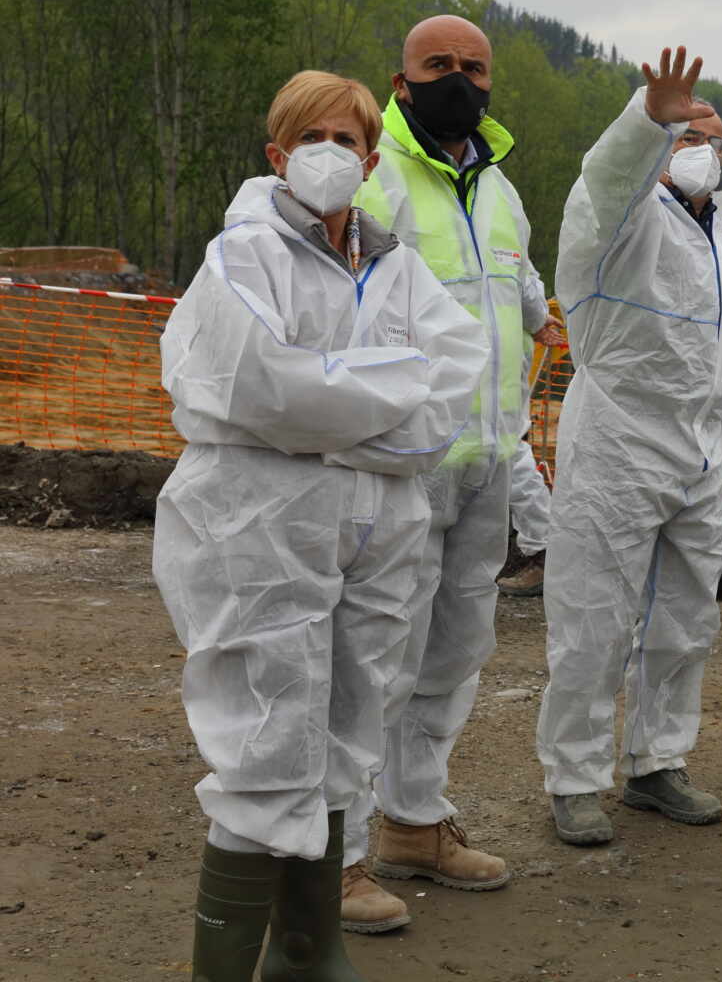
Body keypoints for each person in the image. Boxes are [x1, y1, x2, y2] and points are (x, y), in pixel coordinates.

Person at [152, 70, 485, 979]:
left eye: (348, 140)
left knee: (348, 731)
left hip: (375, 533)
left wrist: (334, 413)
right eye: (314, 138)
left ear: (373, 157)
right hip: (259, 529)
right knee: (263, 740)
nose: (333, 155)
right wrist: (379, 400)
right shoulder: (243, 257)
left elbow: (452, 382)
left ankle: (307, 951)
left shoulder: (397, 264)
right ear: (277, 154)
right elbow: (261, 386)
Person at [341, 14, 564, 932]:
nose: (459, 81)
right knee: (370, 663)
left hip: (487, 462)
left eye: (474, 68)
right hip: (400, 466)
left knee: (453, 654)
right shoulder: (372, 176)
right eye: (439, 66)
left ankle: (412, 822)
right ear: (401, 80)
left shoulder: (501, 190)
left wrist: (547, 313)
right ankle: (340, 856)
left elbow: (519, 298)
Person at [536, 46, 722, 845]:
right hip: (619, 445)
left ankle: (658, 764)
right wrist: (646, 119)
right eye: (687, 132)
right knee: (593, 619)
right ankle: (574, 777)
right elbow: (606, 183)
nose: (700, 146)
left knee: (685, 623)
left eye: (711, 137)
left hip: (700, 455)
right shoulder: (620, 224)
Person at [496, 334, 556, 598]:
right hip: (500, 356)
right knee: (512, 456)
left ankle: (544, 554)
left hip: (495, 363)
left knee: (513, 457)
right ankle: (544, 552)